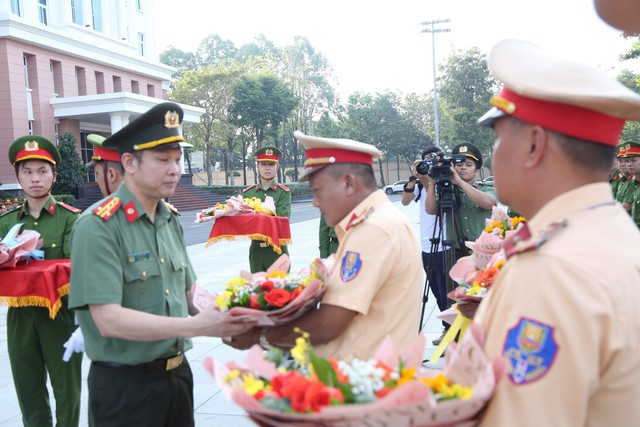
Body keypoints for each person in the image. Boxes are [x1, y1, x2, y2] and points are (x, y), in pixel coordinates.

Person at [472, 39, 640, 426]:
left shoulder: (554, 269)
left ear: (534, 144)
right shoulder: (606, 234)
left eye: (497, 138)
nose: (493, 156)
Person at [68, 102, 256, 426]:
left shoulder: (169, 219)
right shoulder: (98, 225)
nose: (175, 169)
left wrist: (236, 315)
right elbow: (108, 320)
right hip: (125, 389)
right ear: (129, 162)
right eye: (162, 159)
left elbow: (189, 293)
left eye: (177, 158)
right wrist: (197, 327)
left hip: (177, 379)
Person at [225, 131, 424, 360]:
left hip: (365, 384)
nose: (315, 202)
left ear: (348, 183)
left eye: (317, 190)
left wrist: (258, 337)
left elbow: (328, 325)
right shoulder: (376, 220)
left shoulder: (373, 230)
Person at [0, 135, 82, 427]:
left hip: (61, 315)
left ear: (54, 175)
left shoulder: (71, 219)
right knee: (28, 389)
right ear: (18, 176)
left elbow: (79, 268)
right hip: (20, 317)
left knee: (66, 390)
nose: (35, 178)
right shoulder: (7, 223)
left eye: (42, 171)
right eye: (27, 172)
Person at [402, 146, 449, 345]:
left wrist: (433, 180)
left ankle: (453, 329)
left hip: (446, 245)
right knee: (437, 291)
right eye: (425, 162)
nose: (429, 166)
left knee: (447, 290)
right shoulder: (420, 185)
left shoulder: (446, 182)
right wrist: (415, 179)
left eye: (433, 161)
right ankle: (447, 327)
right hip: (426, 246)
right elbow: (405, 202)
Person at [242, 145, 292, 272]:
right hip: (256, 251)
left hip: (277, 249)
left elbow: (282, 220)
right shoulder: (248, 193)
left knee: (280, 290)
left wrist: (256, 216)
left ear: (277, 167)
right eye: (263, 164)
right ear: (257, 167)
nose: (267, 168)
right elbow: (244, 222)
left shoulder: (283, 193)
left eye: (271, 164)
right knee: (258, 290)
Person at [623, 141, 640, 227]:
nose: (629, 164)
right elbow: (626, 206)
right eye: (627, 161)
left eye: (633, 160)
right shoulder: (633, 182)